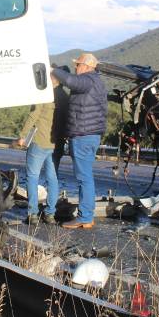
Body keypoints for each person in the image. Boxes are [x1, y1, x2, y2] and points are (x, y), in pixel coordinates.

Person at [52, 53, 107, 229]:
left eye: (77, 65)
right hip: (90, 135)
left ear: (86, 66)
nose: (75, 68)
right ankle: (86, 216)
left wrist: (51, 69)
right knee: (86, 176)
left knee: (84, 177)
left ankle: (85, 217)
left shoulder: (88, 80)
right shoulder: (96, 81)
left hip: (83, 135)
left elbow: (70, 81)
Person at [14, 74, 64, 225]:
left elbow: (33, 116)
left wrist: (22, 135)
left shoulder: (44, 95)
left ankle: (33, 214)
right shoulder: (65, 97)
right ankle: (50, 214)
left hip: (39, 142)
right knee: (53, 179)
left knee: (32, 177)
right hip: (57, 144)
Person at [51, 66, 71, 172]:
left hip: (52, 136)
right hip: (60, 137)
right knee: (54, 168)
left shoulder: (51, 95)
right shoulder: (66, 96)